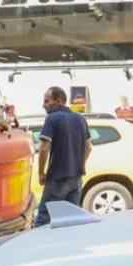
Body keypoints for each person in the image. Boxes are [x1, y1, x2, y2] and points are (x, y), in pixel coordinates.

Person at [35, 86, 92, 227]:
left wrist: (41, 173)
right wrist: (81, 165)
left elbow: (44, 147)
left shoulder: (52, 118)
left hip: (57, 179)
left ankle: (38, 248)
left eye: (47, 101)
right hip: (76, 179)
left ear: (59, 101)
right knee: (71, 220)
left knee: (44, 218)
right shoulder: (80, 119)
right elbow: (89, 147)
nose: (44, 105)